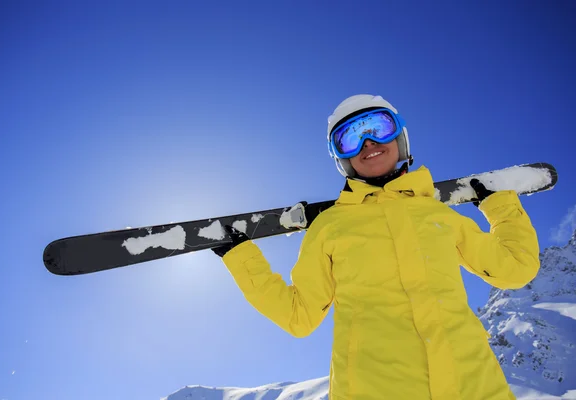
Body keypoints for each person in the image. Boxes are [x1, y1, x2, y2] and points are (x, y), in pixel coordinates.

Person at [211, 94, 540, 400]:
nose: (368, 143)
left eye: (379, 129)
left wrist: (501, 208)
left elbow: (514, 269)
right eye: (350, 138)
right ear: (342, 158)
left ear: (400, 138)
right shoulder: (331, 227)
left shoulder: (437, 215)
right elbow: (299, 316)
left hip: (477, 387)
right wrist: (242, 259)